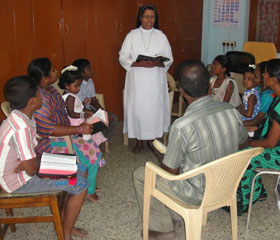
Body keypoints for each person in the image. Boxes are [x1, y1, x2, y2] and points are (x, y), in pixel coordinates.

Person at [133, 60, 248, 239]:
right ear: (209, 86)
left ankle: (162, 228)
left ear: (182, 92)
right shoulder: (231, 111)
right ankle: (177, 214)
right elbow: (243, 144)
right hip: (227, 186)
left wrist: (160, 153)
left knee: (142, 174)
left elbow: (171, 171)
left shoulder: (182, 126)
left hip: (196, 194)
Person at [0, 76, 88, 240]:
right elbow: (32, 170)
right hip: (17, 180)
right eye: (40, 95)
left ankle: (64, 222)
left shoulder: (22, 115)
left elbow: (33, 150)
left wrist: (32, 160)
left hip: (25, 168)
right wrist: (34, 162)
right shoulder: (22, 128)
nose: (43, 97)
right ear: (33, 101)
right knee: (80, 185)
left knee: (81, 168)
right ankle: (66, 235)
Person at [28, 57, 101, 203]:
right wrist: (78, 129)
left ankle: (86, 181)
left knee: (93, 147)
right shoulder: (40, 98)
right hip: (54, 142)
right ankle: (88, 189)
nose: (56, 73)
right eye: (53, 70)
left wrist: (80, 119)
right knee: (94, 156)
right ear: (45, 77)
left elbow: (65, 112)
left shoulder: (50, 90)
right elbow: (48, 130)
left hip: (67, 133)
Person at [119, 4, 174, 153]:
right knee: (138, 109)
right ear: (140, 18)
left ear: (155, 19)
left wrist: (158, 62)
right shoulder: (132, 35)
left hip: (155, 80)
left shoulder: (161, 36)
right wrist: (138, 63)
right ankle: (139, 141)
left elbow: (169, 58)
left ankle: (153, 140)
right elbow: (122, 57)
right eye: (146, 16)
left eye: (152, 17)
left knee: (153, 110)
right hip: (137, 80)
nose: (149, 20)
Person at [238, 59, 280, 213]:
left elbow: (270, 143)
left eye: (265, 73)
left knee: (244, 157)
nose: (263, 76)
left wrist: (249, 144)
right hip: (275, 145)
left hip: (278, 152)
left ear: (273, 79)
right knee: (243, 148)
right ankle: (257, 190)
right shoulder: (276, 96)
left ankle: (247, 198)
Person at [58, 64, 107, 145]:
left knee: (95, 128)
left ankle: (94, 149)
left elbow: (77, 108)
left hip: (78, 119)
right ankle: (93, 150)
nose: (78, 88)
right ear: (67, 86)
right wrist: (83, 115)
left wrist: (83, 105)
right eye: (76, 86)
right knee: (94, 131)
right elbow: (71, 113)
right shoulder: (70, 97)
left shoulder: (71, 95)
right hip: (75, 122)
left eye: (79, 85)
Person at [72, 58, 117, 142]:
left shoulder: (90, 81)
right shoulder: (76, 85)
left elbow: (94, 100)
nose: (92, 70)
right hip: (81, 112)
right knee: (100, 121)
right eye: (88, 69)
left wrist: (103, 112)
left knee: (112, 117)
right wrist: (95, 115)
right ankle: (94, 142)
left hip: (90, 109)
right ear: (81, 73)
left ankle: (105, 141)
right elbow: (78, 107)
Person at [243, 61, 275, 127]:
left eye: (255, 76)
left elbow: (255, 122)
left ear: (263, 80)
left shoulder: (267, 97)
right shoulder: (257, 88)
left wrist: (235, 123)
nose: (252, 78)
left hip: (257, 127)